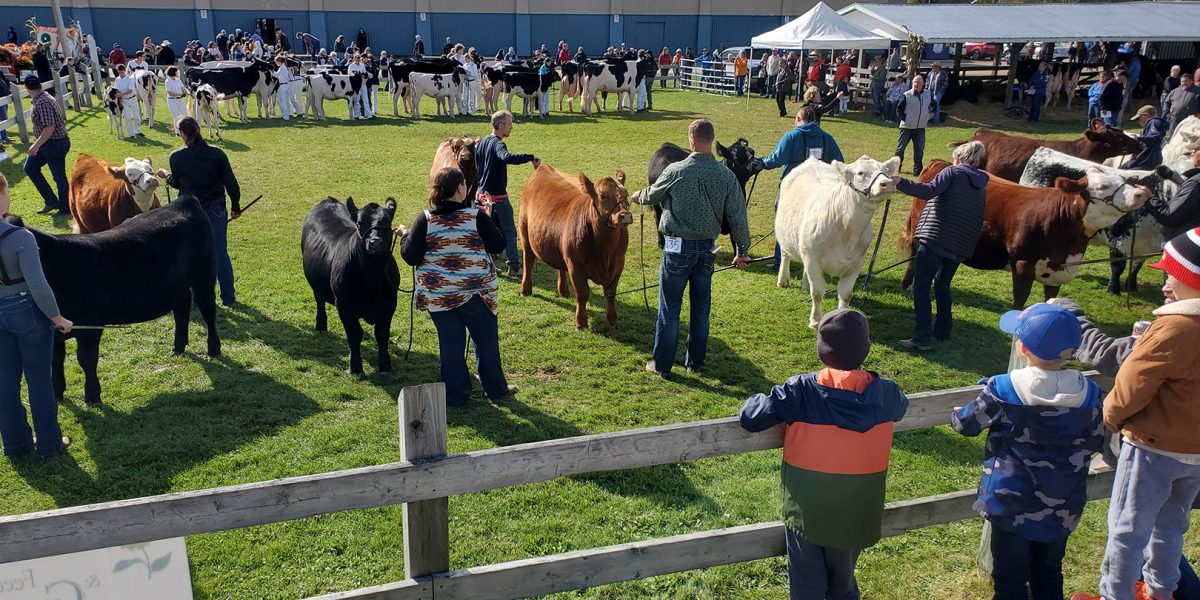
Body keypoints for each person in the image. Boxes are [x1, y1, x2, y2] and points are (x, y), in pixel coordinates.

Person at [739, 309, 908, 600]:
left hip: (808, 513)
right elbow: (901, 408)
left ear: (821, 350)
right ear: (865, 348)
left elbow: (752, 417)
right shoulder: (888, 394)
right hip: (857, 511)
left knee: (807, 587)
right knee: (843, 585)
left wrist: (757, 397)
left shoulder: (800, 391)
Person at [1069, 227, 1200, 600]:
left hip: (1152, 449)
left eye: (1171, 274)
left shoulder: (1174, 327)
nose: (1164, 284)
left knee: (1127, 530)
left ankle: (1116, 595)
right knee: (1172, 527)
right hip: (1195, 454)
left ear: (1192, 278)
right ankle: (1160, 592)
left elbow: (1130, 386)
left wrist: (1108, 418)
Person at [955, 303, 1103, 600]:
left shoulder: (1003, 388)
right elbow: (1097, 438)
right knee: (1048, 573)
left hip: (1011, 507)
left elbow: (966, 424)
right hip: (1063, 507)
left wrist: (960, 410)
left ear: (1022, 347)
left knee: (1009, 579)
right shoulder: (1089, 393)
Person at [633, 119, 750, 376]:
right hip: (707, 251)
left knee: (670, 309)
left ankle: (661, 364)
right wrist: (742, 251)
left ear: (692, 140)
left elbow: (652, 195)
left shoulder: (676, 170)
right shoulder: (726, 176)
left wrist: (637, 196)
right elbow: (738, 215)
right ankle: (694, 363)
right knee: (700, 310)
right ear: (711, 139)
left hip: (676, 250)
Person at [398, 167, 515, 407]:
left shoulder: (425, 220)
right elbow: (498, 245)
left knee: (450, 345)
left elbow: (411, 256)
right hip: (477, 294)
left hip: (439, 297)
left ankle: (456, 396)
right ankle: (495, 390)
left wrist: (405, 235)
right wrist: (490, 215)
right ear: (460, 188)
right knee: (486, 341)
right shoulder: (476, 217)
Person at [0, 174, 74, 459]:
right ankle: (48, 444)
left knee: (5, 381)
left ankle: (16, 445)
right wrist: (58, 318)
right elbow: (38, 285)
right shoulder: (20, 237)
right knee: (39, 379)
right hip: (25, 312)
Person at [893, 140, 989, 350]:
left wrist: (900, 182)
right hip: (959, 246)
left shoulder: (952, 173)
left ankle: (921, 338)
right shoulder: (980, 185)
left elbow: (928, 191)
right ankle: (943, 331)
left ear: (958, 158)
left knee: (921, 288)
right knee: (942, 286)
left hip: (935, 241)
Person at [157, 117, 242, 307]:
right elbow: (231, 184)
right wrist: (235, 207)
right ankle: (228, 297)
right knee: (220, 253)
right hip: (216, 210)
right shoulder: (217, 154)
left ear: (184, 134)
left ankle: (198, 298)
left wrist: (166, 176)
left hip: (189, 214)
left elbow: (178, 183)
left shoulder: (176, 157)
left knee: (192, 255)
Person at [758, 104, 842, 272]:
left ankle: (779, 262)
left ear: (798, 119)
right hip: (819, 194)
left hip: (793, 191)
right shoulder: (827, 139)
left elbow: (775, 159)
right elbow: (839, 164)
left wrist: (760, 162)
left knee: (784, 224)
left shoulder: (792, 136)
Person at [475, 110, 539, 278]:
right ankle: (514, 267)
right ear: (501, 125)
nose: (512, 127)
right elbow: (506, 157)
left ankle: (487, 265)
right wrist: (530, 157)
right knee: (509, 231)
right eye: (510, 124)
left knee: (484, 232)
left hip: (481, 196)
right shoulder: (498, 144)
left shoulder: (481, 142)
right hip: (497, 199)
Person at [22, 77, 70, 216]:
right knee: (30, 168)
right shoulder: (42, 97)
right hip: (47, 144)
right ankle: (51, 201)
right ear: (40, 85)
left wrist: (35, 145)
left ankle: (65, 208)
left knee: (59, 177)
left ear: (26, 88)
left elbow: (49, 127)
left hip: (54, 144)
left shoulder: (43, 102)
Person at [1146, 147, 1200, 242]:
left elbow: (1170, 217)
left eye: (1197, 149)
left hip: (1185, 245)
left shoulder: (1195, 183)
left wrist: (1150, 198)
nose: (1193, 151)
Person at [894, 74, 932, 176]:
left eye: (918, 82)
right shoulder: (906, 95)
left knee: (919, 150)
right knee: (900, 149)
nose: (916, 84)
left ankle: (918, 171)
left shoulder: (928, 94)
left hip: (920, 128)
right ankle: (896, 168)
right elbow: (899, 110)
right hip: (906, 127)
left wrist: (930, 115)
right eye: (915, 82)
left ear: (923, 83)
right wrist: (905, 119)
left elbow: (934, 106)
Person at [1121, 105, 1168, 170]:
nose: (1137, 121)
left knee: (1122, 171)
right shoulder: (1153, 123)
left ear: (1145, 115)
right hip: (1146, 159)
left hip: (1146, 161)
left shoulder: (1154, 122)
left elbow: (1156, 140)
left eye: (1138, 119)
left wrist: (1139, 138)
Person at [112, 64, 143, 139]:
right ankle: (131, 133)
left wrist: (120, 94)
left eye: (122, 72)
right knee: (127, 117)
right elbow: (116, 90)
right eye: (119, 72)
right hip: (124, 100)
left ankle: (138, 131)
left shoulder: (130, 79)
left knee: (136, 117)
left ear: (125, 71)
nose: (121, 74)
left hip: (132, 99)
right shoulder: (117, 79)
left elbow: (130, 90)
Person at [163, 67, 188, 133]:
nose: (177, 72)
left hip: (180, 100)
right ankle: (177, 131)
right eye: (176, 71)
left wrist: (188, 93)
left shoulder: (178, 80)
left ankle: (185, 129)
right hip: (172, 100)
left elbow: (183, 88)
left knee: (185, 114)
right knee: (176, 116)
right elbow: (170, 93)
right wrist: (180, 94)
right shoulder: (167, 81)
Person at [347, 53, 372, 119]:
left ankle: (369, 115)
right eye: (356, 58)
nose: (357, 59)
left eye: (358, 58)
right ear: (354, 58)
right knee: (357, 100)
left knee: (366, 100)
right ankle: (356, 115)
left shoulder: (362, 65)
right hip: (356, 86)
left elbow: (365, 73)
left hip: (363, 84)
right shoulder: (351, 66)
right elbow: (349, 75)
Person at [774, 52, 797, 118]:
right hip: (778, 87)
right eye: (779, 64)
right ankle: (782, 110)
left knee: (781, 100)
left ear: (784, 63)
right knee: (777, 99)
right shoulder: (780, 69)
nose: (779, 65)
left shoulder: (787, 70)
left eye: (780, 63)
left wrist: (779, 82)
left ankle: (783, 112)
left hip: (783, 87)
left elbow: (787, 79)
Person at [273, 55, 292, 122]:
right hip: (284, 85)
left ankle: (285, 116)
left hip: (283, 85)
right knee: (284, 100)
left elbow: (276, 75)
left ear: (278, 61)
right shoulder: (283, 67)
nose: (276, 63)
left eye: (276, 62)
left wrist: (271, 72)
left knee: (282, 101)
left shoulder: (282, 68)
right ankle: (286, 114)